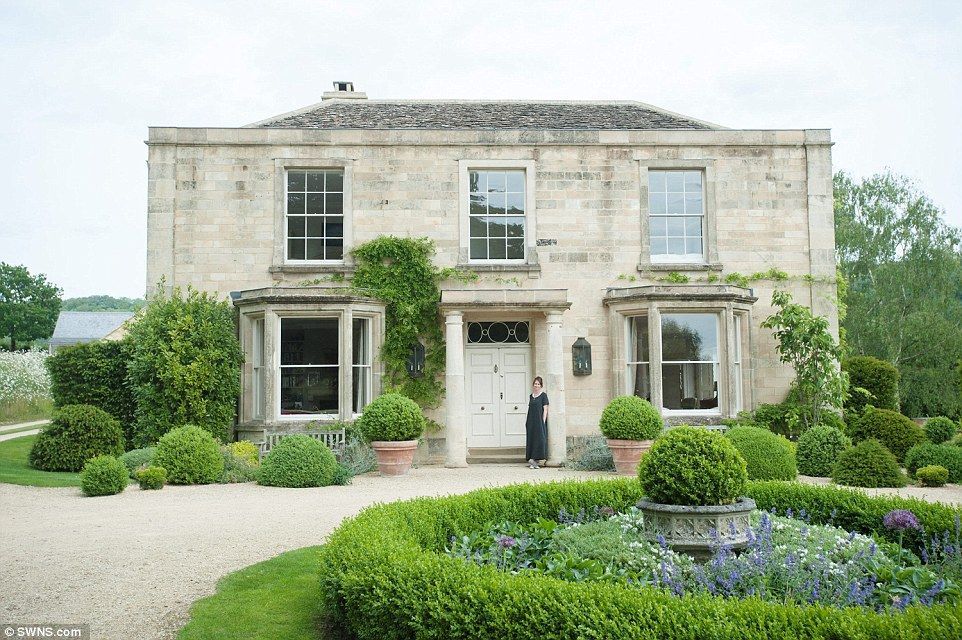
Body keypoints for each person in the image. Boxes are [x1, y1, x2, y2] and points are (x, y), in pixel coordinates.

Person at [525, 376, 549, 469]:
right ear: (533, 385)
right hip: (531, 422)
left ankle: (535, 460)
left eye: (538, 384)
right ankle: (532, 461)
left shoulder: (543, 396)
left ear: (541, 385)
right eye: (535, 384)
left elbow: (545, 409)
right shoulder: (531, 396)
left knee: (540, 440)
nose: (536, 385)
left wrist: (543, 422)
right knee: (531, 439)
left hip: (539, 422)